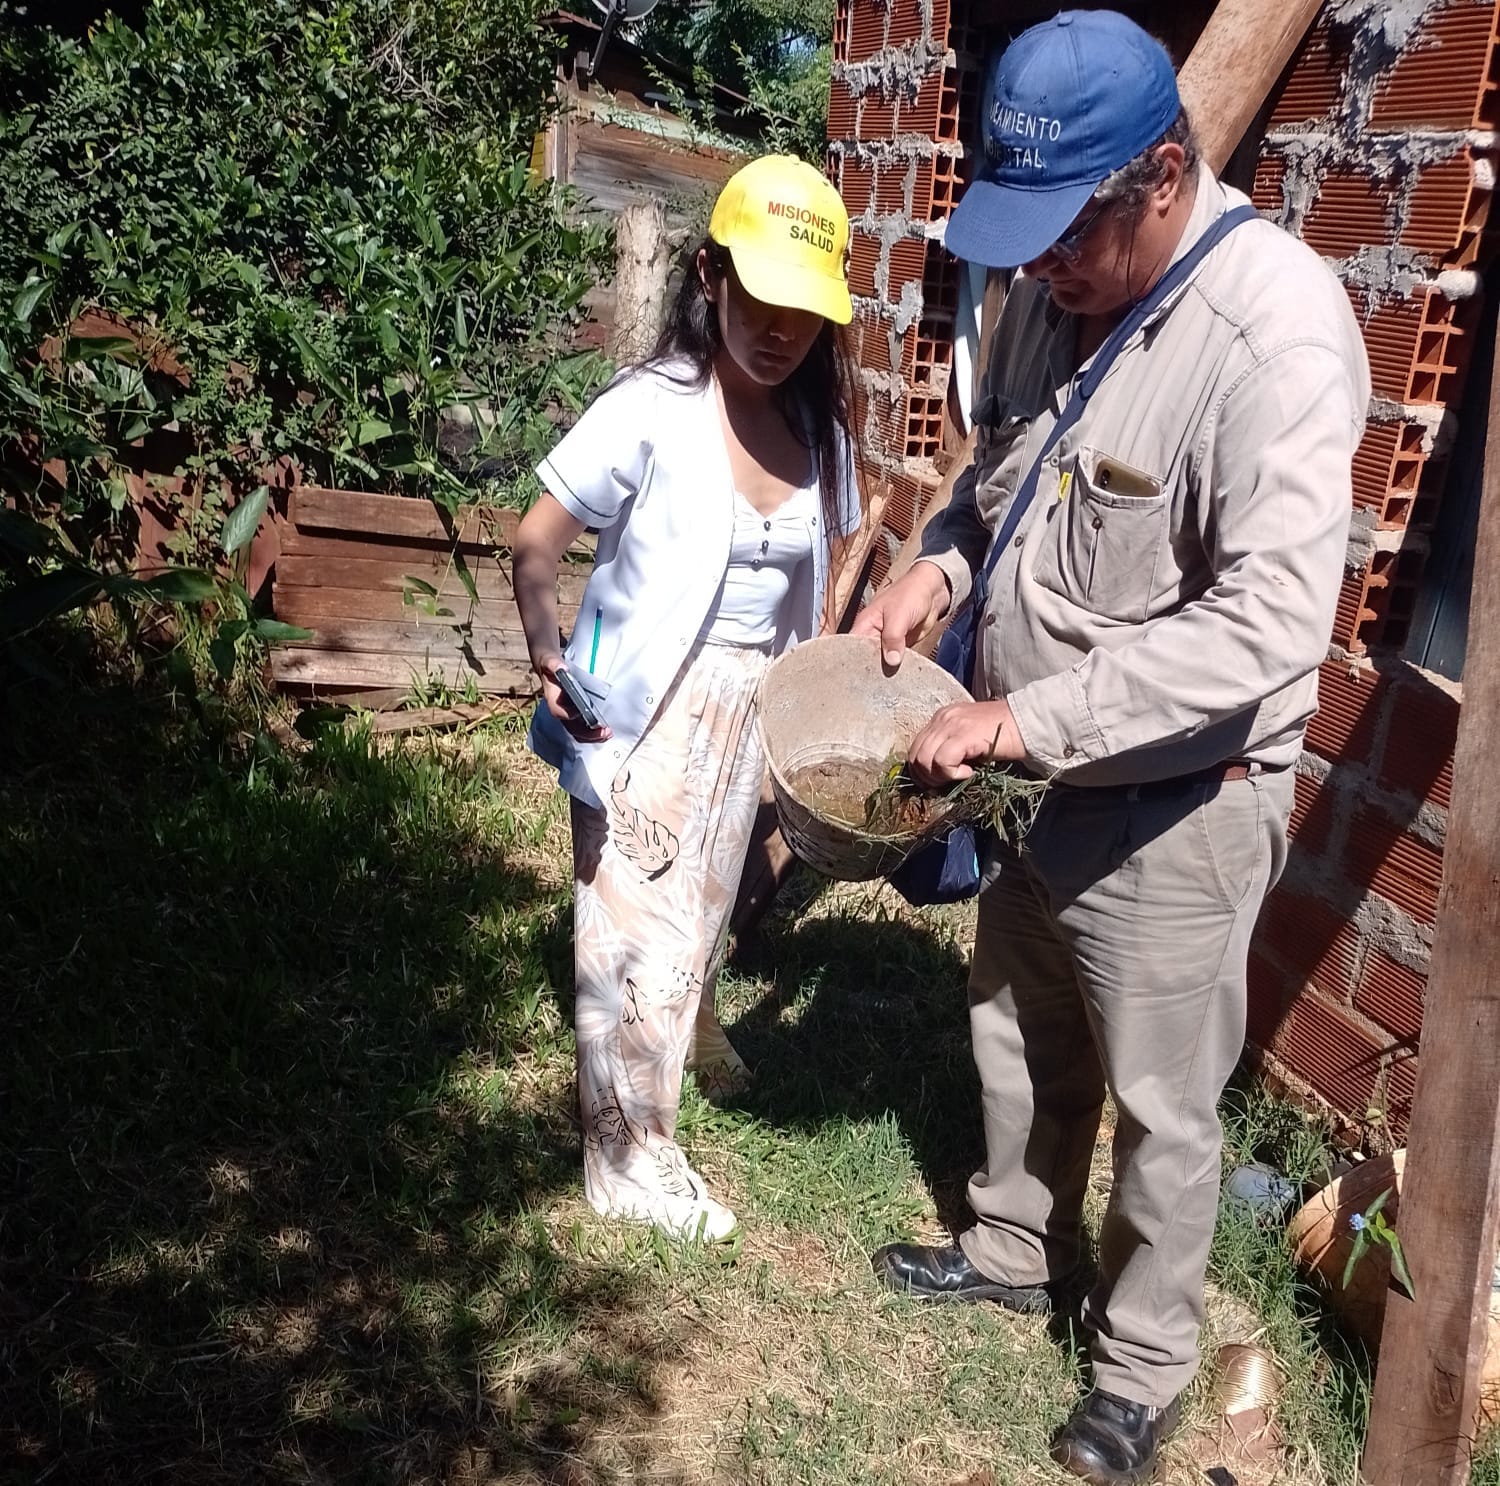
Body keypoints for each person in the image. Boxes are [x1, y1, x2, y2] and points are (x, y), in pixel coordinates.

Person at [854, 12, 1369, 1484]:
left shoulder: (1274, 336)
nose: (1034, 273)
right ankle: (1016, 1240)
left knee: (1161, 1099)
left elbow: (1272, 624)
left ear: (1161, 172)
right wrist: (939, 572)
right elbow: (997, 477)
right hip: (1031, 768)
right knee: (1018, 1022)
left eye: (1065, 234)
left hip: (1179, 797)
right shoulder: (1045, 287)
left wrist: (1020, 716)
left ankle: (1142, 1364)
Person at [514, 155, 862, 1243]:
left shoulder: (823, 437)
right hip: (641, 705)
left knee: (698, 914)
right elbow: (534, 545)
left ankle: (676, 1061)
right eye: (757, 296)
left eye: (803, 310)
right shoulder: (652, 408)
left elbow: (823, 579)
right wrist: (545, 662)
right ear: (710, 275)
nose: (777, 328)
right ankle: (625, 1157)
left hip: (747, 710)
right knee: (624, 932)